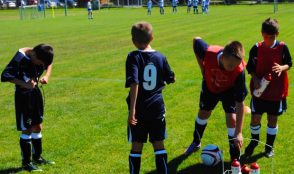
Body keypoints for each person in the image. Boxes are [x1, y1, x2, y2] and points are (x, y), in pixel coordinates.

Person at [185, 37, 248, 162]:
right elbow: (196, 40)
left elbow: (240, 103)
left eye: (236, 65)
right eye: (230, 65)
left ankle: (235, 158)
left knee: (232, 119)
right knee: (203, 114)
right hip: (210, 86)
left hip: (229, 90)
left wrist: (239, 133)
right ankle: (196, 142)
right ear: (223, 57)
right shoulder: (209, 52)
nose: (233, 68)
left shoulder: (239, 71)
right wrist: (201, 67)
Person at [125, 21, 175, 174]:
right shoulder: (160, 57)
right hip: (156, 108)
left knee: (136, 146)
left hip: (139, 109)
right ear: (152, 38)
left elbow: (134, 82)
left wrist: (132, 110)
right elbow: (170, 77)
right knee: (159, 145)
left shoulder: (133, 57)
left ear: (133, 40)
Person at [1, 44, 54, 172]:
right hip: (23, 96)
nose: (41, 65)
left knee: (38, 126)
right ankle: (26, 163)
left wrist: (46, 76)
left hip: (35, 93)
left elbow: (49, 64)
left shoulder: (41, 54)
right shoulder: (20, 57)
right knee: (27, 128)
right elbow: (5, 76)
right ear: (34, 55)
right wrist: (24, 84)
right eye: (39, 62)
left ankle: (37, 157)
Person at [244, 18, 292, 158]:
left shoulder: (283, 47)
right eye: (266, 37)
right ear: (261, 34)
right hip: (259, 92)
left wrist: (282, 67)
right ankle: (254, 141)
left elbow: (289, 63)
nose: (269, 40)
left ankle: (269, 147)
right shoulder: (256, 48)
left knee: (272, 119)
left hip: (276, 92)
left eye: (272, 37)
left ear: (277, 33)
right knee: (255, 118)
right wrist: (256, 78)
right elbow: (250, 67)